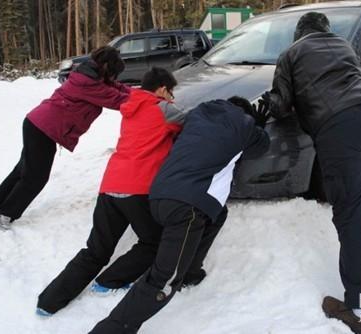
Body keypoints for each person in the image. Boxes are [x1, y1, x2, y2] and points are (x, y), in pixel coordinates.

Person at [261, 12, 361, 334]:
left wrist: (268, 102)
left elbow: (282, 104)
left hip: (339, 127)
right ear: (326, 30)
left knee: (350, 208)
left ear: (299, 33)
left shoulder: (291, 53)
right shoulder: (344, 45)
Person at [88, 97, 271, 334]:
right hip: (187, 207)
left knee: (218, 214)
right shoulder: (244, 124)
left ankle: (191, 271)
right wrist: (258, 124)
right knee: (163, 279)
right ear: (245, 112)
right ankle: (111, 329)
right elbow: (262, 146)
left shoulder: (200, 111)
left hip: (159, 195)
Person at [36, 67, 189, 316]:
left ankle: (48, 301)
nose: (172, 97)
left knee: (96, 249)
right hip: (137, 188)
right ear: (162, 88)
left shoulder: (130, 109)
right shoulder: (164, 109)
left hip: (110, 186)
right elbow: (192, 124)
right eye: (170, 92)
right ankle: (110, 281)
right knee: (154, 241)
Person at [0, 46, 130, 230]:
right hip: (43, 129)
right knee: (35, 177)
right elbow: (117, 99)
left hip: (38, 124)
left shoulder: (91, 75)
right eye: (114, 73)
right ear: (106, 66)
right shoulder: (88, 83)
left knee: (22, 171)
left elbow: (117, 88)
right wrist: (149, 102)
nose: (115, 78)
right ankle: (3, 215)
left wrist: (145, 93)